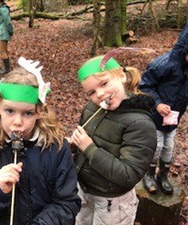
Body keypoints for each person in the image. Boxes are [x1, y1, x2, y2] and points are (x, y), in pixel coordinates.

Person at [0, 57, 81, 224]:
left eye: (27, 113)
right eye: (10, 111)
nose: (17, 122)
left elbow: (68, 203)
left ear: (39, 111)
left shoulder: (56, 148)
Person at [71, 55, 157, 225]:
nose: (100, 94)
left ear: (122, 77)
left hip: (113, 203)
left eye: (104, 84)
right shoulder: (91, 109)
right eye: (91, 92)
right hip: (85, 192)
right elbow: (87, 145)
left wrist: (88, 148)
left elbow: (128, 175)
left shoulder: (140, 124)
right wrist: (75, 146)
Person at [139, 25, 188, 195]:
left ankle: (163, 175)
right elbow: (145, 85)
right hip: (155, 117)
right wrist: (157, 104)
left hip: (173, 119)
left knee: (168, 147)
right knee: (156, 145)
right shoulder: (165, 64)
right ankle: (149, 174)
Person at [0, 0, 14, 74]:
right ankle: (7, 67)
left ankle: (7, 69)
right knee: (3, 50)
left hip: (4, 32)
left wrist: (10, 31)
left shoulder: (4, 9)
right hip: (1, 32)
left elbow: (8, 22)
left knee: (2, 51)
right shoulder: (0, 9)